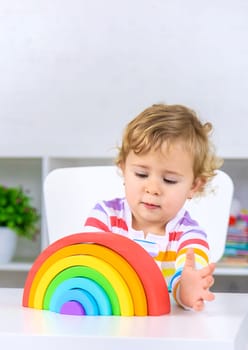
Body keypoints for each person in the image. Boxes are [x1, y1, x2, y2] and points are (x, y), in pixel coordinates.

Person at [83, 103, 223, 311]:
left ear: (194, 185)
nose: (153, 188)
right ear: (123, 169)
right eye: (141, 174)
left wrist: (187, 289)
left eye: (169, 180)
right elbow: (88, 264)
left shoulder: (189, 235)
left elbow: (185, 279)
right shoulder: (104, 216)